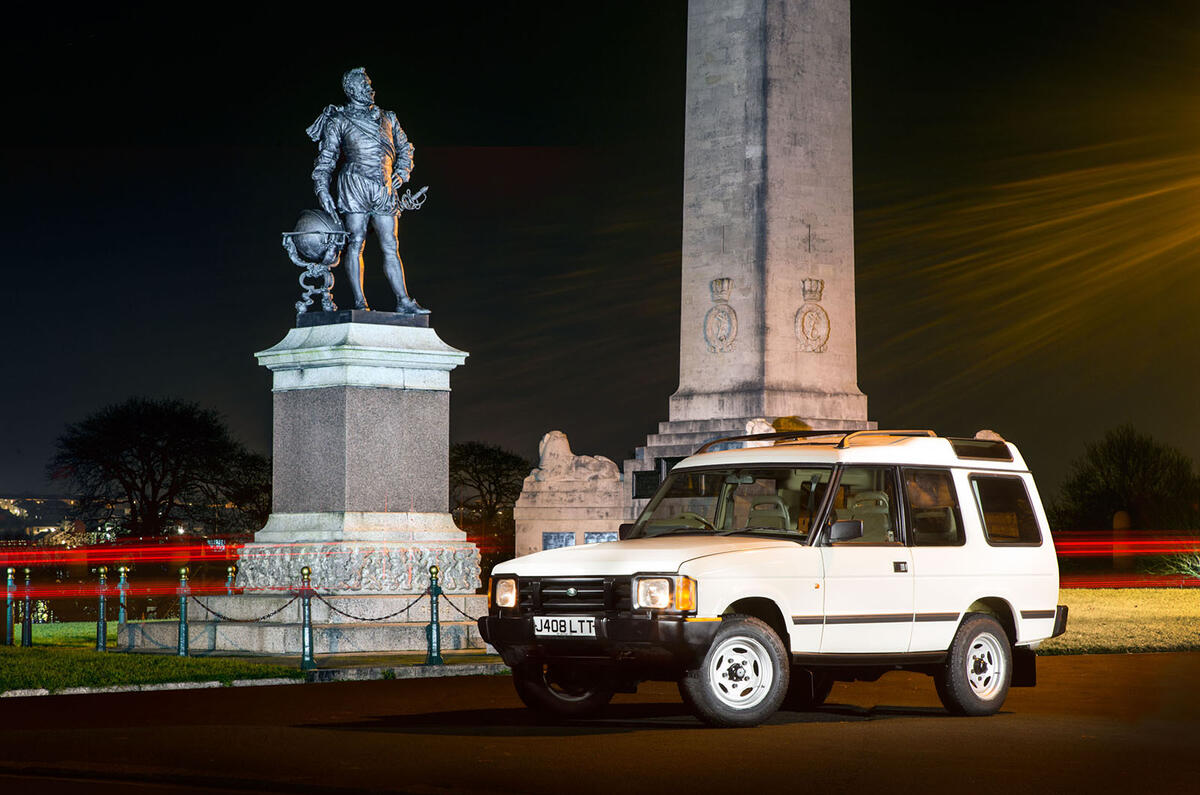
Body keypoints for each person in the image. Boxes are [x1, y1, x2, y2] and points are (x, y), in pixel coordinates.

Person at [307, 68, 428, 313]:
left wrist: (402, 173)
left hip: (384, 185)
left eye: (369, 84)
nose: (370, 89)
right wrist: (322, 190)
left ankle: (403, 301)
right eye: (364, 85)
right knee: (356, 242)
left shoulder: (389, 118)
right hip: (354, 184)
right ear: (351, 91)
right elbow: (326, 159)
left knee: (391, 244)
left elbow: (406, 149)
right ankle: (360, 303)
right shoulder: (339, 120)